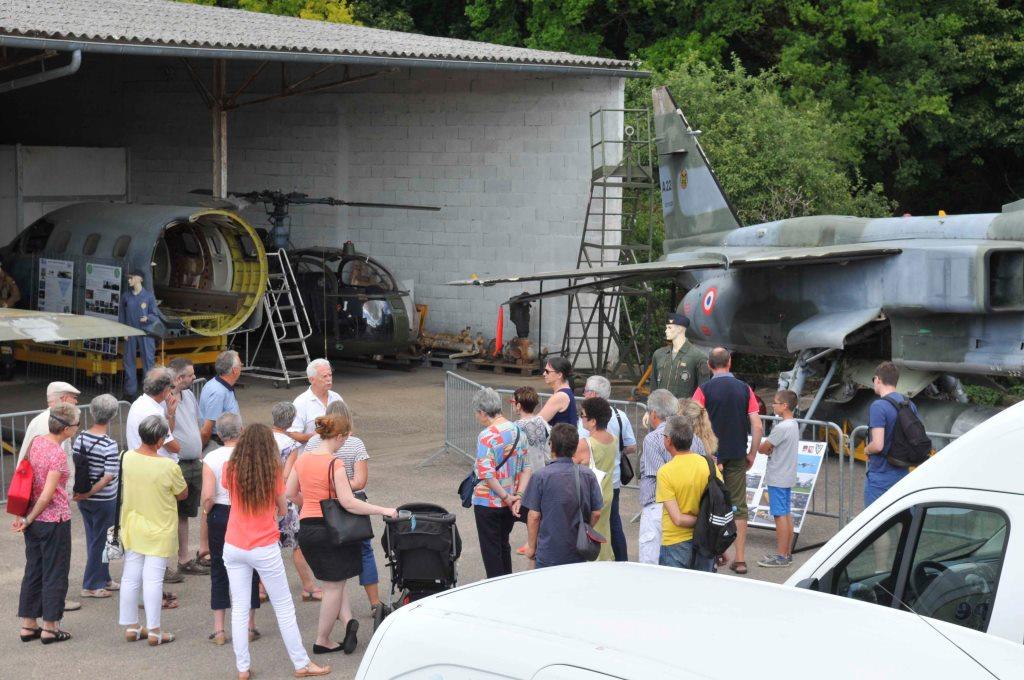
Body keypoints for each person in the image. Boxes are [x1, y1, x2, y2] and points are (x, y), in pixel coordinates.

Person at [222, 423, 330, 679]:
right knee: (283, 606)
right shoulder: (271, 473)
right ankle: (301, 663)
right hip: (263, 544)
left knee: (239, 608)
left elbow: (229, 491)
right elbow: (283, 509)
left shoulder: (231, 468)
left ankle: (242, 667)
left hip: (234, 543)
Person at [288, 412, 396, 656]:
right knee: (334, 587)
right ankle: (322, 639)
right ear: (337, 437)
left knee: (333, 581)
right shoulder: (333, 463)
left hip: (307, 529)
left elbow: (290, 492)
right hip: (330, 530)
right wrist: (382, 510)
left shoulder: (303, 460)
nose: (345, 443)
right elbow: (348, 502)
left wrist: (310, 504)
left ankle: (348, 622)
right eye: (344, 439)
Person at [302, 400, 385, 617]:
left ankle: (339, 608)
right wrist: (342, 485)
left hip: (324, 507)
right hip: (351, 507)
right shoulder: (356, 444)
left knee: (334, 558)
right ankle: (374, 602)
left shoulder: (312, 445)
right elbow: (360, 481)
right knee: (365, 551)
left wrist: (329, 486)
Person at [118, 415, 188, 646]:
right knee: (153, 579)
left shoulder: (126, 457)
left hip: (132, 523)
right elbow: (182, 494)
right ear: (159, 440)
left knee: (130, 576)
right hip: (160, 526)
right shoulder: (168, 466)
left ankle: (131, 626)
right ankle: (155, 630)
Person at [692, 347, 763, 575]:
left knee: (706, 504)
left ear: (709, 366)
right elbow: (757, 424)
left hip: (709, 457)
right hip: (736, 454)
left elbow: (692, 420)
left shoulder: (703, 390)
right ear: (729, 363)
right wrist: (752, 453)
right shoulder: (745, 389)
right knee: (738, 506)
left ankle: (709, 554)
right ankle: (740, 559)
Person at [14, 402, 80, 645]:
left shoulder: (37, 442)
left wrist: (26, 517)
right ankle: (51, 627)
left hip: (33, 520)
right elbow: (47, 494)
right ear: (66, 430)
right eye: (75, 425)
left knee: (34, 570)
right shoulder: (57, 454)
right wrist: (29, 518)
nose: (76, 429)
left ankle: (28, 624)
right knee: (55, 572)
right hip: (54, 520)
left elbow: (28, 481)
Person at [201, 413, 261, 646]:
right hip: (246, 512)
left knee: (219, 567)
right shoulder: (252, 456)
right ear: (242, 430)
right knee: (251, 568)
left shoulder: (211, 458)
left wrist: (208, 513)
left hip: (220, 513)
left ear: (218, 434)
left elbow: (207, 496)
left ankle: (219, 629)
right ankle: (249, 625)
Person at [522, 423, 602, 568]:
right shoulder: (587, 474)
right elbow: (596, 513)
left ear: (551, 445)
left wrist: (531, 547)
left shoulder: (540, 476)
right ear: (575, 446)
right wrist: (585, 530)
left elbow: (534, 516)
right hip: (578, 549)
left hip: (548, 551)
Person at [470, 388, 531, 578]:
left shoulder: (486, 436)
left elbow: (486, 474)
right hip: (511, 499)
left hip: (489, 501)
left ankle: (496, 589)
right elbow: (527, 467)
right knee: (503, 544)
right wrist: (517, 496)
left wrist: (504, 496)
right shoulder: (518, 431)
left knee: (491, 551)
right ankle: (508, 582)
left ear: (482, 412)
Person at [576, 375, 636, 561]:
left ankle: (592, 556)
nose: (584, 393)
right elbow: (632, 446)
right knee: (613, 524)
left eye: (585, 390)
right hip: (612, 481)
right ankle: (620, 559)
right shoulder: (620, 416)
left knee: (592, 524)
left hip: (593, 485)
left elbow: (578, 455)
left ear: (593, 394)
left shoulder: (587, 432)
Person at [655, 416, 722, 572]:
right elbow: (720, 505)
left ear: (669, 441)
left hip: (675, 541)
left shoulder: (665, 472)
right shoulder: (709, 465)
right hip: (706, 540)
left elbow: (677, 519)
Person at [270, 401, 320, 602]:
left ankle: (262, 588)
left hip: (263, 500)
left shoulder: (262, 439)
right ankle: (308, 586)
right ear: (291, 421)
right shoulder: (291, 445)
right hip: (284, 499)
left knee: (268, 545)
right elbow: (286, 475)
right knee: (297, 544)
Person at [72, 393, 121, 598]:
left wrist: (83, 494)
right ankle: (91, 584)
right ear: (113, 416)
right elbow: (108, 477)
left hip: (86, 499)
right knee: (101, 540)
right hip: (104, 499)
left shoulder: (80, 438)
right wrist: (90, 492)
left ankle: (104, 577)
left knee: (96, 538)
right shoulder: (109, 444)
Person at [167, 357, 210, 581]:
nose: (194, 378)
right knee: (170, 514)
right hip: (177, 463)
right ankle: (166, 563)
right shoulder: (166, 399)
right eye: (191, 375)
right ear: (179, 377)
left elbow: (195, 423)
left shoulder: (190, 395)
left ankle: (183, 559)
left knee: (184, 514)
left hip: (194, 462)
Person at [864, 361, 917, 507]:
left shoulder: (878, 406)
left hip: (881, 475)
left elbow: (878, 445)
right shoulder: (909, 404)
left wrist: (866, 449)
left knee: (872, 524)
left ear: (878, 380)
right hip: (903, 473)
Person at [757, 390, 799, 568]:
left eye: (775, 402)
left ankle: (781, 556)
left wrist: (763, 448)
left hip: (778, 476)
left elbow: (763, 447)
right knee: (786, 514)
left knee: (780, 515)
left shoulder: (781, 427)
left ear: (785, 406)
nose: (772, 405)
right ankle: (786, 553)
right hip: (787, 475)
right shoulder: (793, 424)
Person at [637, 389, 678, 564]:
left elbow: (660, 475)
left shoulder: (653, 439)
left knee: (651, 564)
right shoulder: (692, 436)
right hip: (682, 505)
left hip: (658, 505)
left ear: (653, 413)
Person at [574, 397, 616, 561]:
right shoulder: (612, 439)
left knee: (588, 533)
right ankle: (605, 558)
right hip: (606, 492)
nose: (581, 418)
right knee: (604, 530)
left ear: (592, 421)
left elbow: (569, 464)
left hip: (591, 496)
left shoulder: (585, 444)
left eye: (583, 415)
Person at [126, 367, 182, 461]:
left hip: (144, 463)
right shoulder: (153, 413)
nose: (172, 391)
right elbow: (174, 448)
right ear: (165, 389)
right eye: (171, 387)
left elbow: (168, 432)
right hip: (155, 467)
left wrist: (170, 414)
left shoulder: (139, 402)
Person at [120, 269, 160, 398]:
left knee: (148, 362)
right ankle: (130, 393)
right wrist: (123, 331)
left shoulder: (148, 296)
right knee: (128, 361)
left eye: (131, 277)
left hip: (145, 333)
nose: (129, 280)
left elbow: (155, 315)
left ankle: (149, 392)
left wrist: (147, 318)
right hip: (130, 332)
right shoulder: (126, 296)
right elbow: (122, 315)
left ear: (140, 279)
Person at [650, 313, 708, 397]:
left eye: (669, 327)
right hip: (661, 408)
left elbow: (703, 390)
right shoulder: (659, 354)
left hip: (683, 408)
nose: (666, 330)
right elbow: (653, 385)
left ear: (680, 329)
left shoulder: (698, 357)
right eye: (666, 327)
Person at [288, 358, 344, 446]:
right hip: (311, 455)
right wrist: (314, 437)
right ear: (311, 380)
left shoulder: (337, 398)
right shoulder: (301, 402)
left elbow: (346, 425)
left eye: (330, 375)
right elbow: (292, 434)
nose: (329, 379)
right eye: (324, 376)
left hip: (336, 455)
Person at [199, 350, 242, 448]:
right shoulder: (218, 392)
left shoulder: (220, 385)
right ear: (235, 370)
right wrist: (199, 453)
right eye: (240, 365)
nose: (241, 368)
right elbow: (206, 430)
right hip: (219, 444)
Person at [536, 356, 577, 427]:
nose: (544, 374)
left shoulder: (560, 396)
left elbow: (537, 422)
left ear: (559, 375)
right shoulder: (566, 391)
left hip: (561, 437)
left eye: (547, 371)